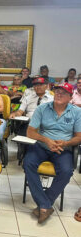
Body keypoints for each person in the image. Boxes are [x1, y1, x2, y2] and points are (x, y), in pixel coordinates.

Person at [24, 82, 81, 224]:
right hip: (42, 146)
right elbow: (30, 132)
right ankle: (45, 205)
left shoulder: (77, 112)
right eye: (57, 91)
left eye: (63, 92)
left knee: (67, 171)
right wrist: (47, 140)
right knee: (28, 163)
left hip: (63, 149)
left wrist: (65, 143)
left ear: (70, 97)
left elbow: (79, 137)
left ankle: (44, 204)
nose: (59, 94)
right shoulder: (42, 108)